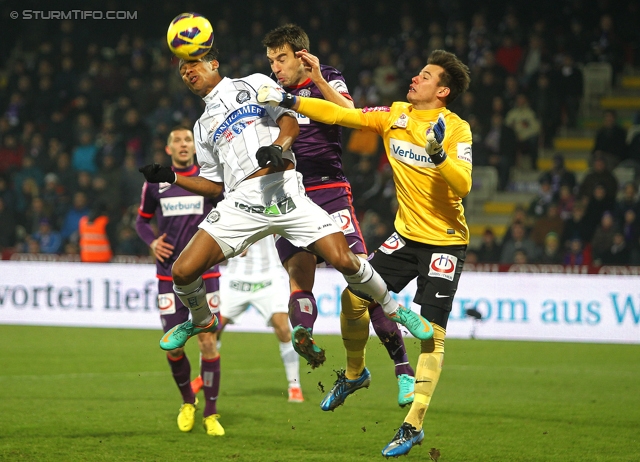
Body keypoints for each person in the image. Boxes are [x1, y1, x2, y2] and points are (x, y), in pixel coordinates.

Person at [137, 46, 433, 421]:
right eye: (182, 70)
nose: (188, 72)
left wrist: (278, 148)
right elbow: (213, 186)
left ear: (214, 61)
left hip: (286, 191)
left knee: (346, 260)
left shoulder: (255, 84)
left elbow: (290, 122)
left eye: (193, 64)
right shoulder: (201, 126)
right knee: (182, 271)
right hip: (241, 203)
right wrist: (172, 177)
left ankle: (396, 310)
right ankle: (200, 320)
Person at [258, 49, 472, 457]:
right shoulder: (396, 115)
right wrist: (291, 100)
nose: (415, 77)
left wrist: (439, 155)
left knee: (432, 336)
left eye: (425, 76)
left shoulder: (456, 129)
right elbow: (342, 115)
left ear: (442, 90)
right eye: (418, 71)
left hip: (445, 241)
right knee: (353, 297)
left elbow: (462, 185)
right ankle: (355, 373)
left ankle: (413, 425)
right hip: (406, 238)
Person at [261, 24, 417, 407]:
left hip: (329, 191)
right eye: (271, 61)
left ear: (301, 56)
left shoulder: (327, 77)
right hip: (286, 194)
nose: (276, 67)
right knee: (299, 276)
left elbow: (351, 115)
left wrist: (317, 78)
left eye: (281, 58)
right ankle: (304, 334)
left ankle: (403, 369)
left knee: (362, 280)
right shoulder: (267, 92)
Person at [135, 126, 225, 436]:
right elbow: (142, 221)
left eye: (188, 139)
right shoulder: (155, 186)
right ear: (169, 149)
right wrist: (152, 242)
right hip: (166, 274)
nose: (184, 144)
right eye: (178, 141)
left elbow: (225, 212)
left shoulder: (206, 182)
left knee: (207, 340)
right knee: (172, 347)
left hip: (206, 272)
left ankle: (211, 414)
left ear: (195, 147)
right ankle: (189, 401)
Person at [213, 235, 304, 403]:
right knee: (213, 329)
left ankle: (294, 386)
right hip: (236, 276)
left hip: (269, 275)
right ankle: (205, 378)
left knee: (283, 329)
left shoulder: (275, 209)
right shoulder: (232, 209)